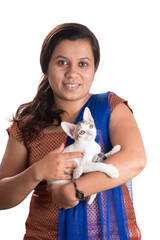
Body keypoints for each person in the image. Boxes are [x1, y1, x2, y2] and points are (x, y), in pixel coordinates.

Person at [0, 23, 146, 239]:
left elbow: (135, 159)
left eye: (83, 64)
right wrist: (37, 172)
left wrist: (74, 189)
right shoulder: (27, 126)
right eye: (62, 62)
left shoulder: (110, 107)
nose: (72, 72)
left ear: (94, 68)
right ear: (45, 66)